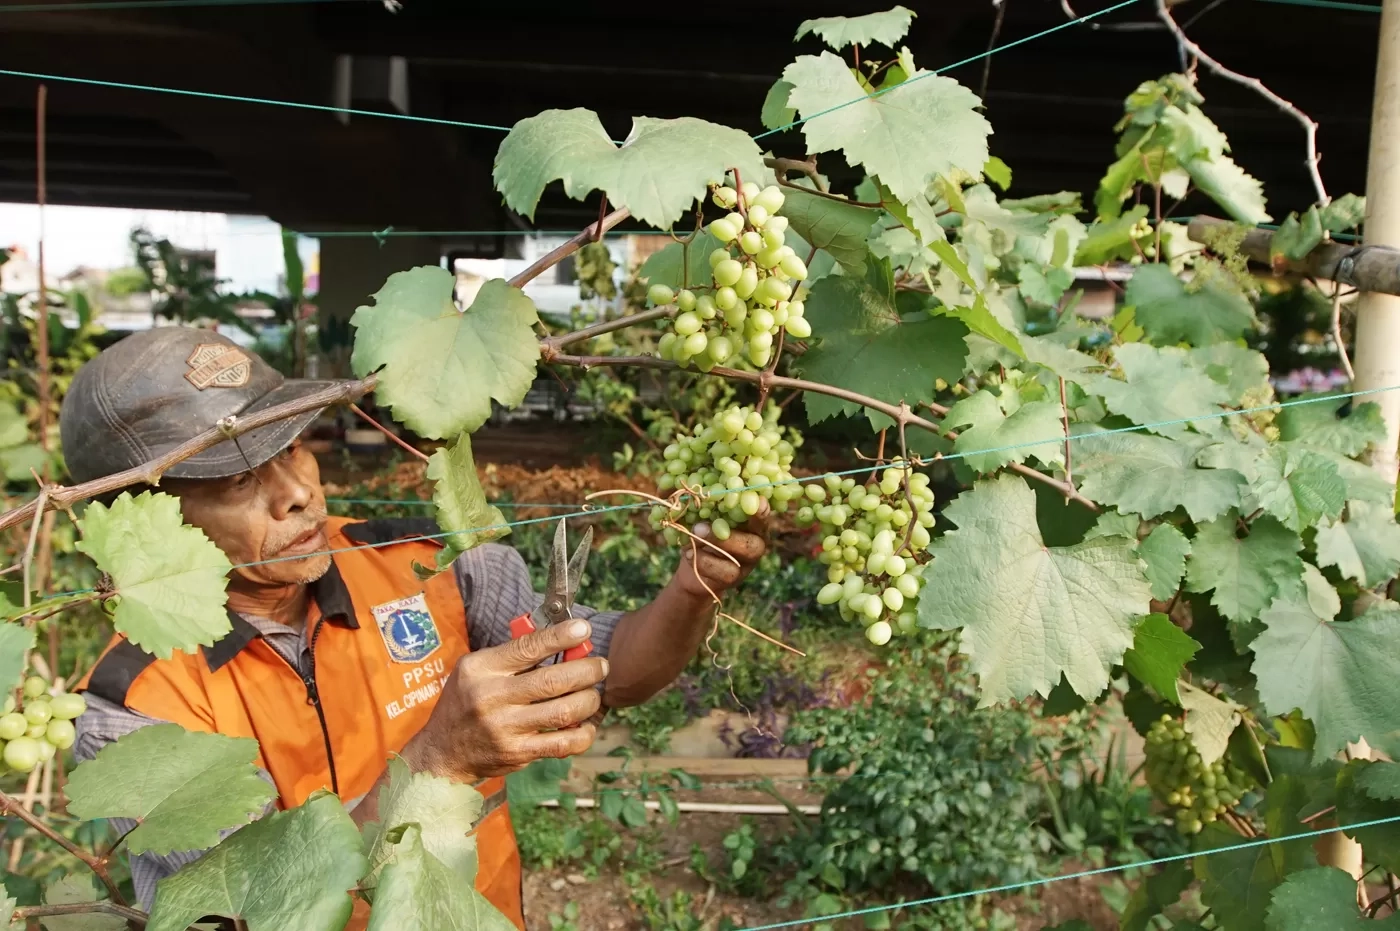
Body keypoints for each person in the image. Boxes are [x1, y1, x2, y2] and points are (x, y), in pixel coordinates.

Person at [61, 327, 768, 928]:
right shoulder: (132, 712)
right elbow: (261, 909)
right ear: (142, 522)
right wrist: (438, 762)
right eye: (239, 479)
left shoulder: (431, 565)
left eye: (293, 446)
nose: (298, 492)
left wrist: (694, 585)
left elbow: (614, 668)